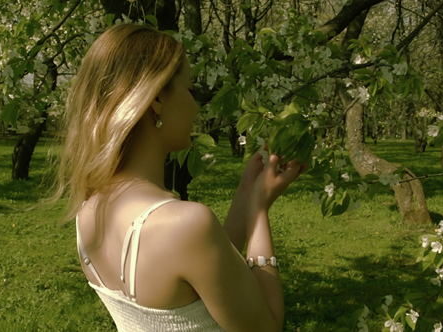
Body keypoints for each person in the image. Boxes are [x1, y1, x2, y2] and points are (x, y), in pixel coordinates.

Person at [54, 23, 305, 332]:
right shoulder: (185, 224)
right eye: (188, 88)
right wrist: (258, 210)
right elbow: (266, 327)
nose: (195, 106)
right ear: (157, 100)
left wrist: (244, 192)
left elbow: (200, 271)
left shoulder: (88, 212)